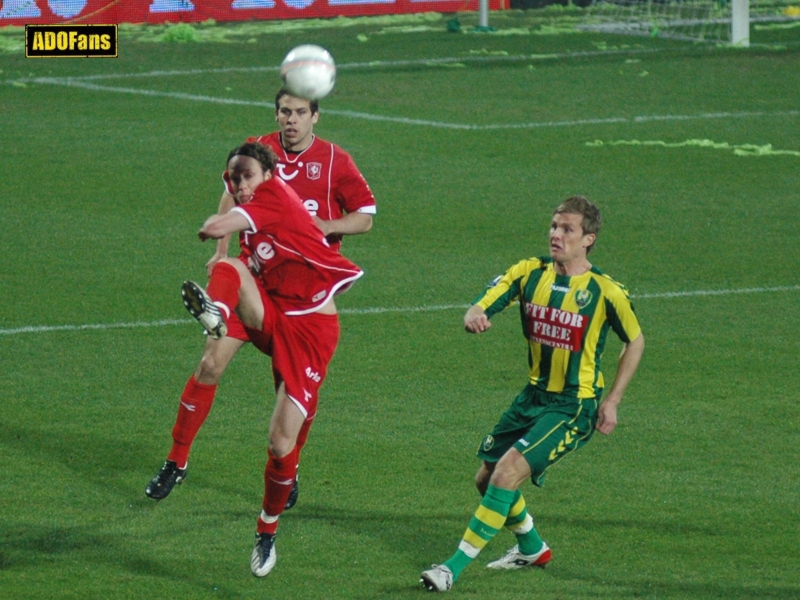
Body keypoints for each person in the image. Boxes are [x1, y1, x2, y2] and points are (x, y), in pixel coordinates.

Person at [145, 88, 376, 508]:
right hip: (256, 281)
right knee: (210, 362)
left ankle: (290, 470)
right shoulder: (258, 151)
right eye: (284, 112)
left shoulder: (334, 161)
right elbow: (231, 195)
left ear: (315, 117)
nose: (291, 120)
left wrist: (324, 224)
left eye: (300, 113)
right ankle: (176, 461)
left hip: (303, 299)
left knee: (290, 399)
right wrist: (220, 254)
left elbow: (365, 217)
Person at [420, 196, 645, 592]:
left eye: (567, 230)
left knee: (505, 476)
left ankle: (450, 569)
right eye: (554, 227)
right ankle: (532, 547)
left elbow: (636, 341)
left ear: (588, 239)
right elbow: (486, 300)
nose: (556, 235)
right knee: (485, 479)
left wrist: (612, 401)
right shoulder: (529, 272)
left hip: (573, 406)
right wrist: (474, 314)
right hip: (533, 398)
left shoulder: (606, 291)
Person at [182, 142, 363, 577]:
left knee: (281, 442)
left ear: (267, 176)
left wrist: (214, 225)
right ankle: (217, 316)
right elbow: (231, 210)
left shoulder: (275, 199)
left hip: (310, 330)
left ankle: (267, 530)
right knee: (234, 271)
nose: (239, 185)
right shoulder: (251, 193)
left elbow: (235, 216)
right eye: (233, 178)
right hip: (271, 309)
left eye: (246, 177)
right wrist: (220, 241)